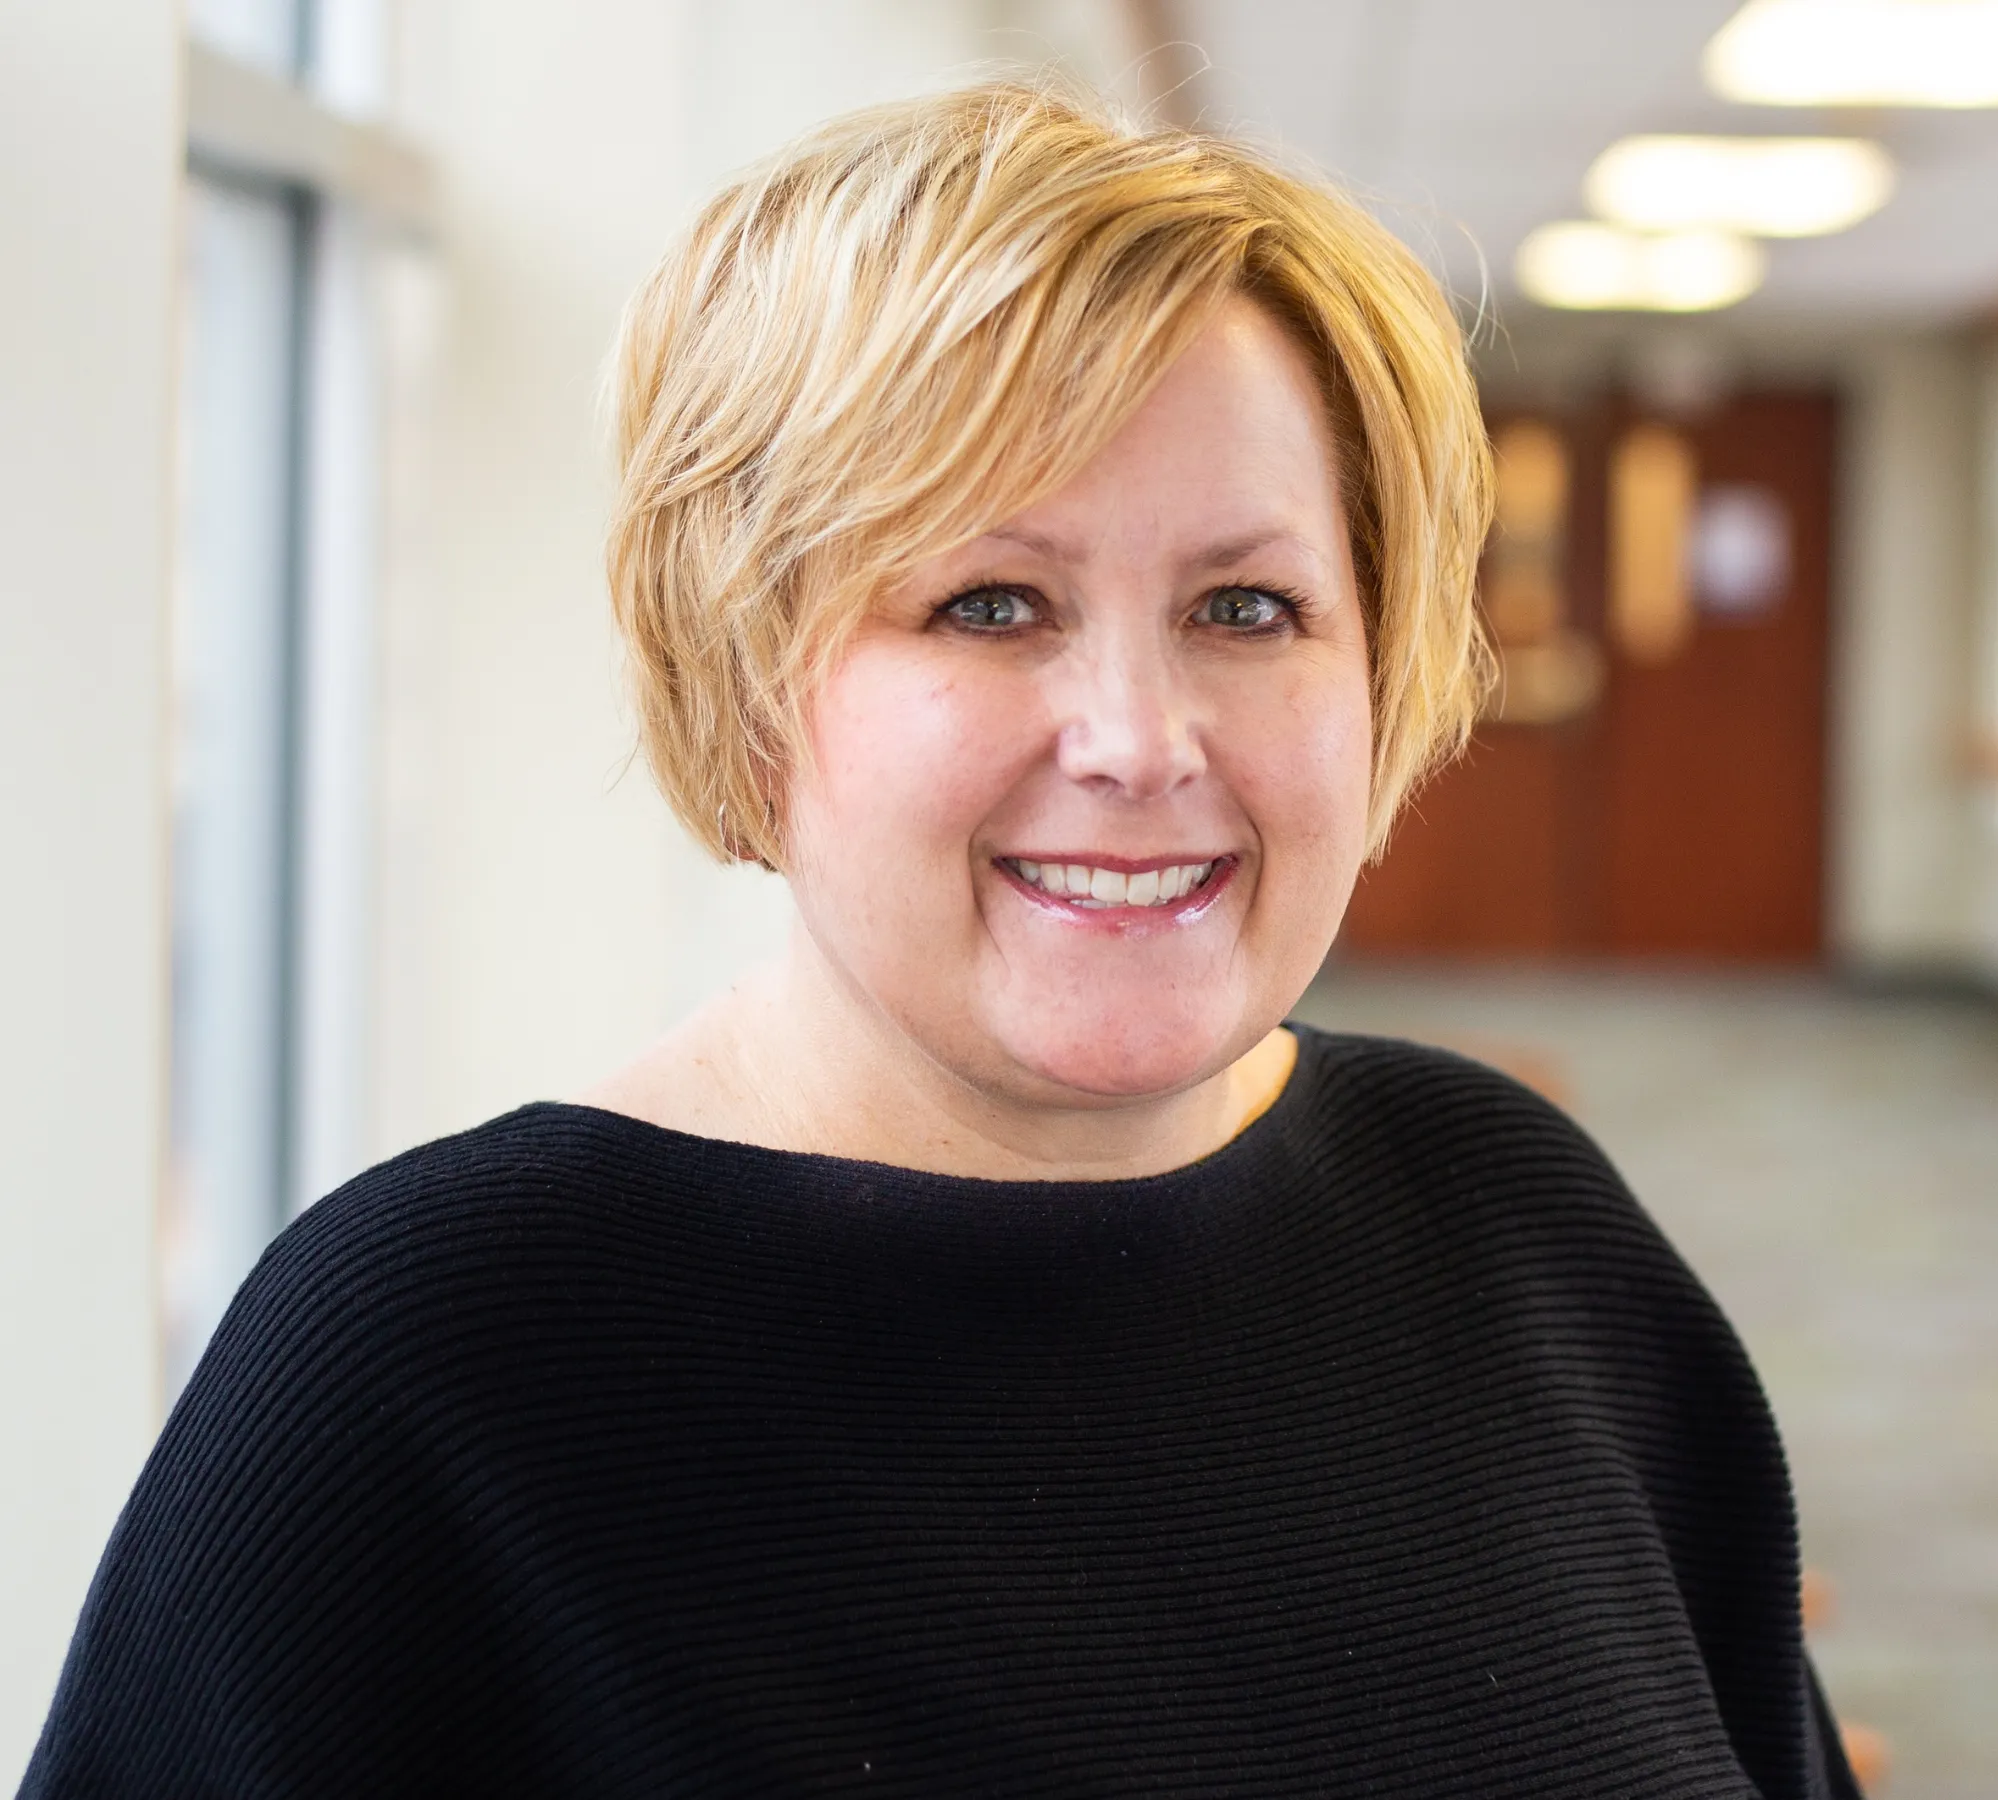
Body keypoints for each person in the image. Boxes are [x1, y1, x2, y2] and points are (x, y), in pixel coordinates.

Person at [21, 82, 1861, 1798]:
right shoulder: (432, 1363)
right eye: (990, 604)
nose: (1140, 741)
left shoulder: (1515, 1220)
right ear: (746, 682)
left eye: (1248, 604)